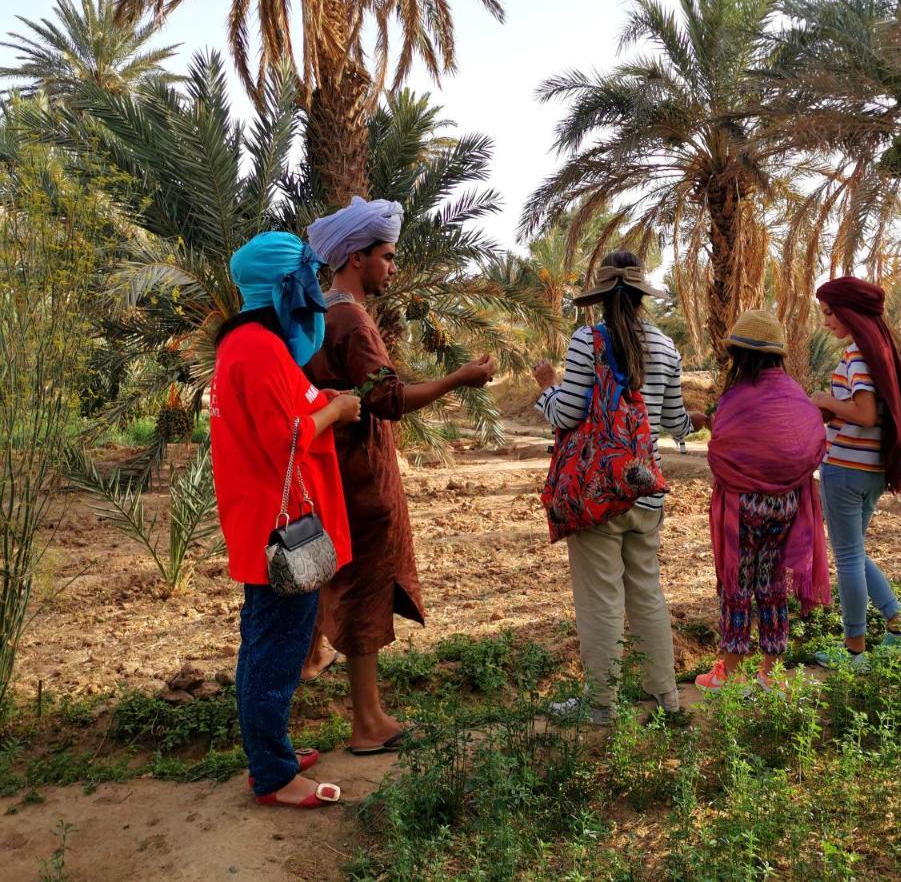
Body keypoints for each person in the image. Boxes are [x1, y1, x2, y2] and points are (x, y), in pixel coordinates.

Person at [303, 197, 496, 754]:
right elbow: (386, 399)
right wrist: (457, 379)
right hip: (364, 478)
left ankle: (318, 665)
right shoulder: (352, 319)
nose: (392, 267)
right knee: (365, 590)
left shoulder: (317, 314)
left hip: (335, 471)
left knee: (341, 581)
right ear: (356, 259)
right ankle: (368, 723)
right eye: (386, 257)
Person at [210, 231, 361, 808]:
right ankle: (272, 776)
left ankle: (268, 750)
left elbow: (280, 411)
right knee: (275, 651)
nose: (314, 292)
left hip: (257, 522)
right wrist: (339, 409)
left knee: (262, 642)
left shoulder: (240, 344)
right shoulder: (261, 348)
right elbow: (288, 435)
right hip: (283, 533)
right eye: (306, 279)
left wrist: (316, 398)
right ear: (283, 285)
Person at [533, 250, 704, 724]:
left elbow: (566, 414)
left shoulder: (586, 341)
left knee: (601, 597)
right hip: (645, 487)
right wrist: (696, 421)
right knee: (647, 591)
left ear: (602, 297)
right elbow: (672, 421)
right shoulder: (667, 347)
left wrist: (545, 386)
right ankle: (665, 697)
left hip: (599, 492)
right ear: (641, 295)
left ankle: (601, 704)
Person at [693, 310, 829, 692]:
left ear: (741, 356)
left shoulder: (738, 397)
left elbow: (720, 450)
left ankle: (730, 672)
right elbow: (813, 441)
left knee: (737, 584)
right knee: (771, 586)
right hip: (786, 507)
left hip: (743, 509)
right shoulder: (794, 393)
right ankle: (770, 672)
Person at [810, 276, 901, 668]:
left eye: (829, 313)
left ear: (849, 313)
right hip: (872, 468)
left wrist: (824, 400)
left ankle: (854, 650)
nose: (826, 322)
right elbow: (870, 414)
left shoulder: (858, 356)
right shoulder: (882, 355)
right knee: (855, 553)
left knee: (846, 558)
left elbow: (865, 413)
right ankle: (900, 629)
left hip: (844, 468)